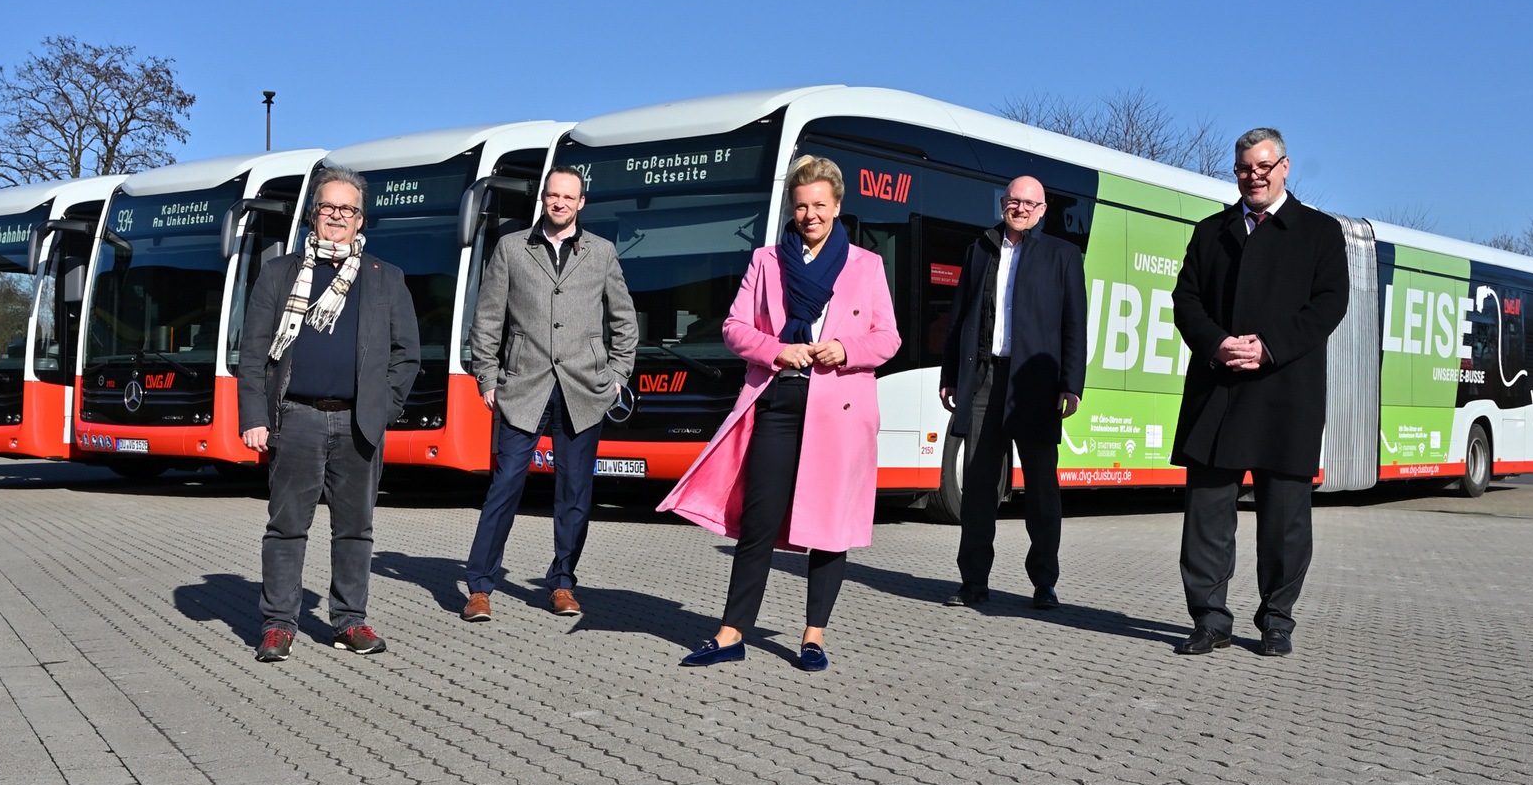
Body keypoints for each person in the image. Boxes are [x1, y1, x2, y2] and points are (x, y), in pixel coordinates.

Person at [661, 155, 901, 672]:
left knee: (829, 525)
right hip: (779, 398)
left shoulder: (867, 264)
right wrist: (776, 349)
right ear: (791, 209)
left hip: (837, 405)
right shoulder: (767, 261)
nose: (810, 214)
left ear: (837, 206)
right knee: (758, 520)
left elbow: (889, 338)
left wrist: (845, 348)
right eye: (801, 206)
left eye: (820, 204)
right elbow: (732, 327)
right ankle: (730, 633)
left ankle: (813, 636)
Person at [1170, 127, 1350, 657]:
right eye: (1245, 167)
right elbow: (1186, 301)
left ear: (1285, 167)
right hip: (1217, 389)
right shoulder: (1211, 232)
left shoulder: (1319, 232)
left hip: (1284, 392)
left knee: (1285, 520)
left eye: (1264, 166)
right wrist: (1217, 343)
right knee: (1206, 514)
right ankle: (1209, 619)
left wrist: (1268, 347)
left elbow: (1328, 305)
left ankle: (1277, 620)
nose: (1254, 176)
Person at [238, 165, 421, 662]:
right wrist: (254, 417)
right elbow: (253, 354)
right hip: (294, 419)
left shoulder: (386, 278)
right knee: (286, 527)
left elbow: (408, 354)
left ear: (361, 220)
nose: (337, 217)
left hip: (358, 423)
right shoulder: (279, 274)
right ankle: (278, 625)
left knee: (356, 529)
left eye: (348, 209)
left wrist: (382, 410)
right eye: (328, 208)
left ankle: (349, 621)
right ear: (313, 215)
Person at [461, 165, 638, 621]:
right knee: (504, 486)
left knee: (575, 492)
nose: (559, 203)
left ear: (581, 203)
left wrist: (617, 375)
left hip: (584, 388)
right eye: (552, 196)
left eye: (568, 197)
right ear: (544, 199)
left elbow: (624, 321)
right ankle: (479, 587)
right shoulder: (511, 248)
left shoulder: (601, 252)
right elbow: (487, 321)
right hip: (522, 387)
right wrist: (487, 377)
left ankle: (562, 582)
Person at [937, 176, 1088, 610]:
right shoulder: (978, 250)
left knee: (1042, 488)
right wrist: (952, 375)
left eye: (1029, 203)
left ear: (1042, 210)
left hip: (1035, 386)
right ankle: (973, 584)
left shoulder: (1062, 255)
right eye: (1013, 201)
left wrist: (1070, 385)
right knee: (979, 485)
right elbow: (959, 317)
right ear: (1002, 204)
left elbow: (1074, 326)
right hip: (984, 379)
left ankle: (1044, 582)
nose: (1020, 208)